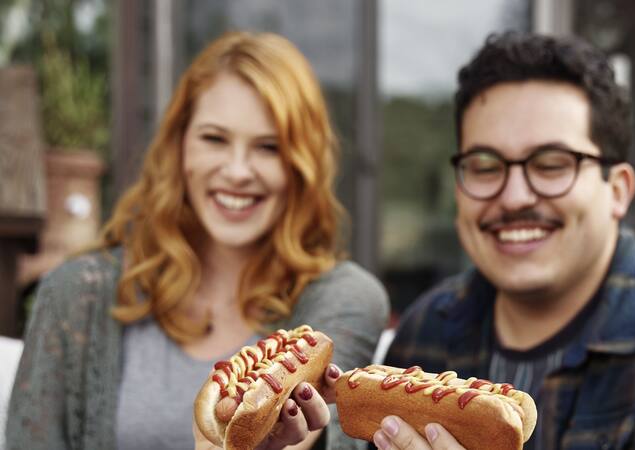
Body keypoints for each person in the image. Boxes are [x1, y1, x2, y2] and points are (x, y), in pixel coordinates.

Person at [376, 32, 635, 449]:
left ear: (618, 190)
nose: (515, 196)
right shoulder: (426, 331)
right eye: (485, 166)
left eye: (552, 164)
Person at [6, 31, 388, 450]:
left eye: (267, 147)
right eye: (214, 139)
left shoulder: (345, 298)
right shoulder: (75, 295)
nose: (238, 170)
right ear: (179, 145)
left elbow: (319, 430)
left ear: (301, 164)